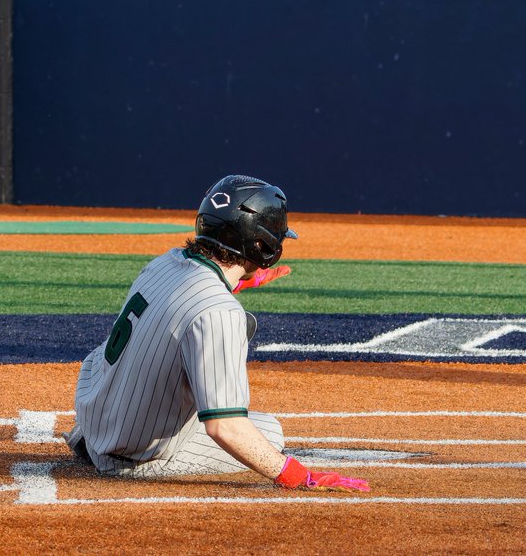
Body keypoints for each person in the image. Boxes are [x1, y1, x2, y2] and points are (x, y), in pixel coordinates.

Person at [64, 174, 370, 493]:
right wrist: (298, 476)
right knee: (270, 433)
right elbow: (225, 427)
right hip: (133, 455)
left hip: (93, 419)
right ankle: (124, 455)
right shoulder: (219, 311)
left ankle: (98, 437)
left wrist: (235, 283)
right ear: (261, 244)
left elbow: (186, 303)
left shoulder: (165, 263)